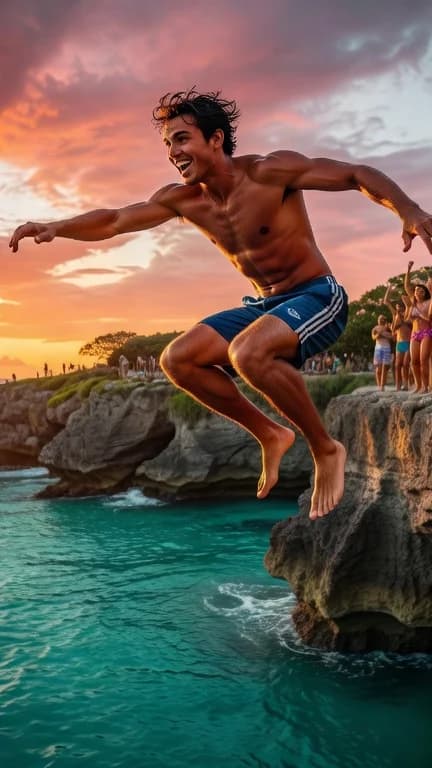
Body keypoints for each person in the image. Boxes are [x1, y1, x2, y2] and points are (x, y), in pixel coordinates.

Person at [8, 89, 432, 519]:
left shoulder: (270, 171)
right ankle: (269, 434)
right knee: (177, 359)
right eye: (168, 144)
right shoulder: (183, 199)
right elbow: (116, 220)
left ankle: (325, 449)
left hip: (318, 295)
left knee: (246, 352)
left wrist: (409, 210)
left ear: (215, 140)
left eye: (181, 139)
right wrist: (56, 227)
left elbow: (355, 174)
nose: (173, 152)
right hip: (266, 306)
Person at [404, 261, 432, 393]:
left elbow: (429, 318)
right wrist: (409, 270)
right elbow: (406, 286)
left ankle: (426, 386)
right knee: (413, 361)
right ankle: (418, 385)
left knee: (423, 360)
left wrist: (420, 316)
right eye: (416, 290)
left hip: (427, 332)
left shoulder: (429, 302)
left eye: (421, 290)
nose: (417, 292)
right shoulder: (413, 303)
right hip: (414, 334)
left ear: (424, 292)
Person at [383, 284, 412, 391]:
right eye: (397, 307)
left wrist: (402, 317)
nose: (398, 309)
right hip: (400, 343)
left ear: (404, 307)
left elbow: (410, 323)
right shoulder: (395, 315)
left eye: (400, 307)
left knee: (405, 364)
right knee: (397, 365)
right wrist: (389, 290)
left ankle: (406, 384)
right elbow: (386, 301)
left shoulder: (408, 314)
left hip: (408, 342)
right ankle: (398, 386)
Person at [371, 314, 393, 390]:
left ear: (384, 320)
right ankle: (379, 384)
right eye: (379, 318)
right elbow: (373, 337)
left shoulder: (388, 328)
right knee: (378, 368)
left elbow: (392, 337)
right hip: (378, 348)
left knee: (384, 368)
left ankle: (382, 385)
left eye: (382, 319)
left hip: (386, 347)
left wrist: (384, 334)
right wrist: (379, 334)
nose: (381, 320)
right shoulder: (375, 328)